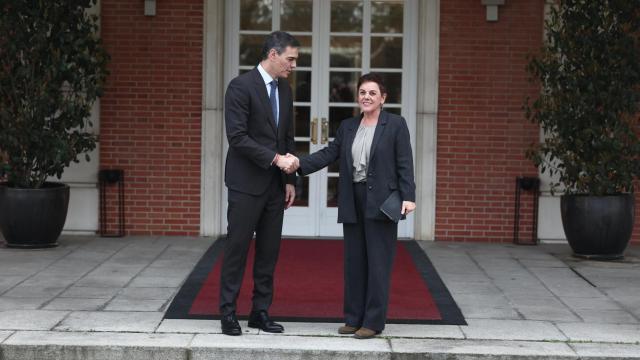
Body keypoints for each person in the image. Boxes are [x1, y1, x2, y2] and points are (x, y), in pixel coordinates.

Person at [285, 73, 416, 339]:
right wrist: (299, 164)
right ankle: (353, 318)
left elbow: (405, 162)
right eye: (362, 93)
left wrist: (408, 195)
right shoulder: (347, 126)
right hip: (352, 198)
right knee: (355, 261)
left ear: (383, 98)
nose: (366, 97)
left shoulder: (396, 125)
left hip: (382, 201)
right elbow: (330, 154)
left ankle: (373, 321)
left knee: (378, 263)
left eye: (372, 93)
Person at [219, 31, 300, 336]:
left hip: (275, 187)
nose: (293, 65)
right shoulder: (240, 87)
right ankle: (228, 313)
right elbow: (237, 138)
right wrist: (276, 160)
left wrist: (289, 179)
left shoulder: (286, 89)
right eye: (290, 59)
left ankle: (260, 312)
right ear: (273, 55)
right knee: (237, 249)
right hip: (245, 184)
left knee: (269, 252)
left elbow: (287, 137)